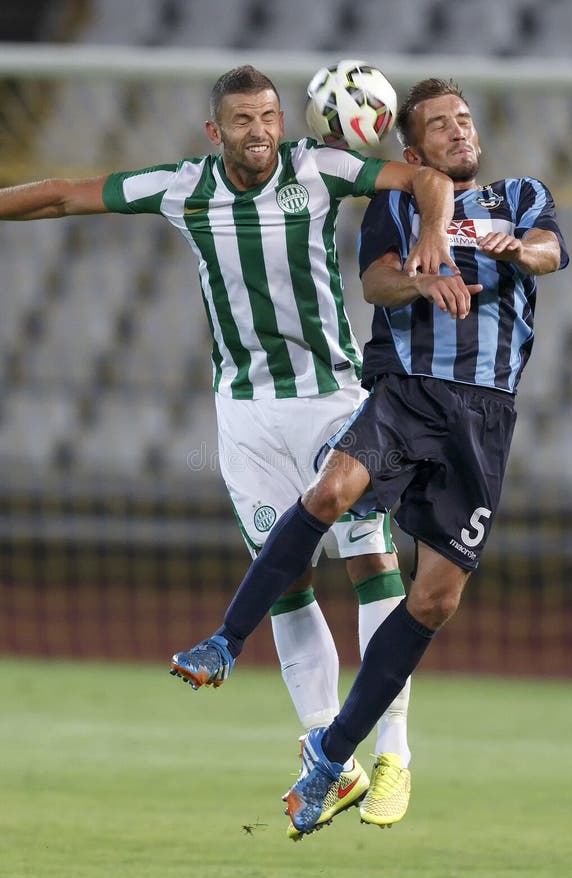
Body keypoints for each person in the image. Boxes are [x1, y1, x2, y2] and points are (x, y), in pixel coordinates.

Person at [0, 67, 460, 835]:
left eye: (270, 117)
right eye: (243, 120)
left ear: (286, 122)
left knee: (372, 562)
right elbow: (63, 193)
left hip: (334, 402)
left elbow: (424, 178)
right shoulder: (184, 187)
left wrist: (434, 231)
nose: (259, 131)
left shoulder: (322, 169)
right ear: (216, 133)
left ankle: (394, 753)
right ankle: (329, 756)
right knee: (283, 581)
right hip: (244, 415)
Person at [169, 77, 569, 837]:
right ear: (413, 148)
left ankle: (331, 759)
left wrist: (520, 248)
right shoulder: (396, 201)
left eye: (465, 120)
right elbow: (378, 282)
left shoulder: (519, 195)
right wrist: (424, 275)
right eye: (441, 127)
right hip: (405, 391)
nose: (459, 132)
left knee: (434, 601)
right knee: (331, 493)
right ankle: (225, 640)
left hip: (483, 420)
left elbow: (551, 250)